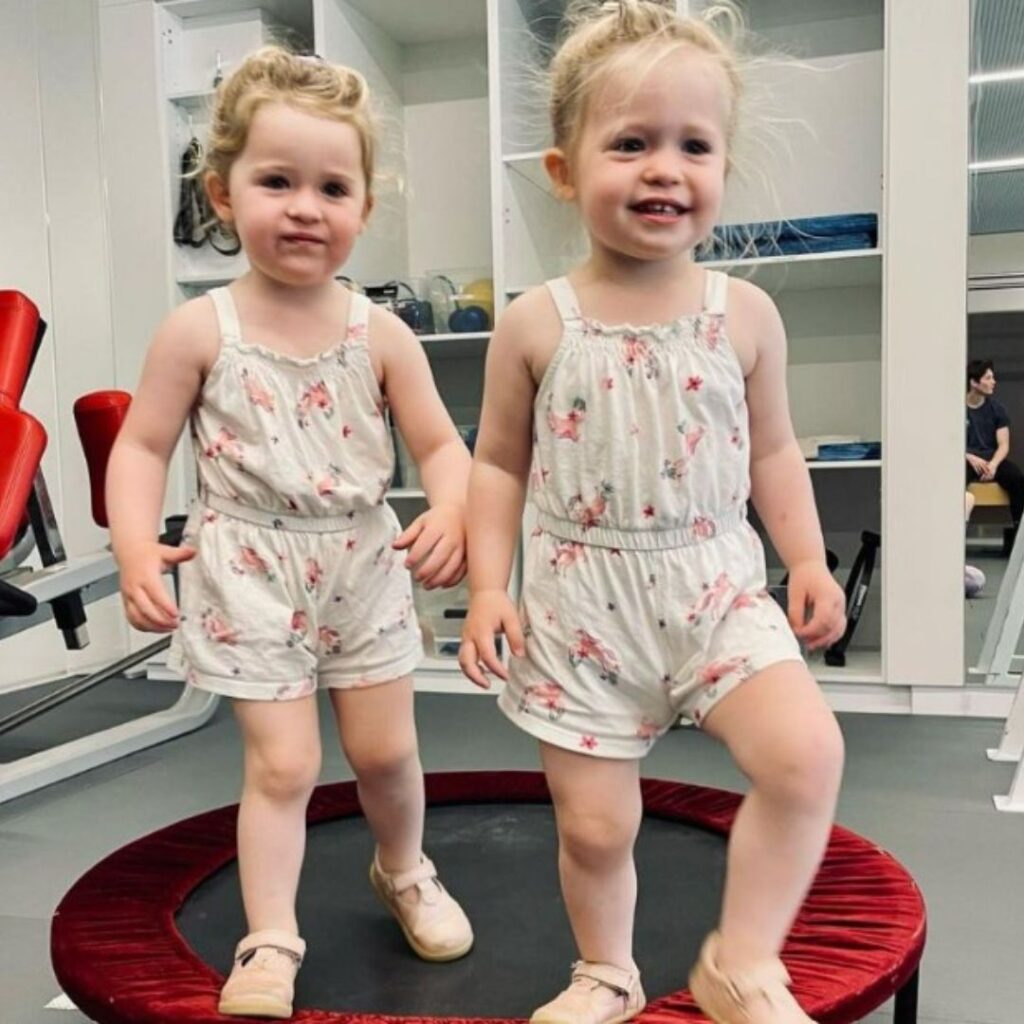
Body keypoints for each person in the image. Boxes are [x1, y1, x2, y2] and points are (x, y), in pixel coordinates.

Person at [459, 3, 846, 1022]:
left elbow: (771, 448)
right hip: (580, 599)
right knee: (594, 828)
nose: (663, 169)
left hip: (714, 581)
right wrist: (486, 585)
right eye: (629, 144)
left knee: (805, 756)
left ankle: (741, 958)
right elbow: (496, 463)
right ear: (562, 169)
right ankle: (606, 970)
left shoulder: (743, 313)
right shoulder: (536, 321)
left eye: (692, 145)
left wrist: (805, 558)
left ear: (721, 164)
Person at [106, 47, 474, 1019]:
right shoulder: (200, 332)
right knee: (283, 764)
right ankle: (269, 936)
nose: (305, 206)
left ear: (361, 205)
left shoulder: (379, 333)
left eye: (332, 186)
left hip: (358, 557)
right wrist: (137, 545)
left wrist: (451, 504)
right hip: (248, 565)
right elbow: (142, 447)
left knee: (386, 753)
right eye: (276, 181)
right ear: (223, 195)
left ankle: (403, 869)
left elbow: (442, 444)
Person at [966, 358, 1024, 549]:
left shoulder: (997, 410)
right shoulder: (956, 409)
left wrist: (993, 465)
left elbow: (1004, 445)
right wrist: (968, 456)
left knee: (1017, 479)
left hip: (992, 460)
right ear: (974, 382)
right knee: (952, 480)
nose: (993, 382)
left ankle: (1017, 538)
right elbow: (947, 443)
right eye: (988, 378)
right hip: (967, 460)